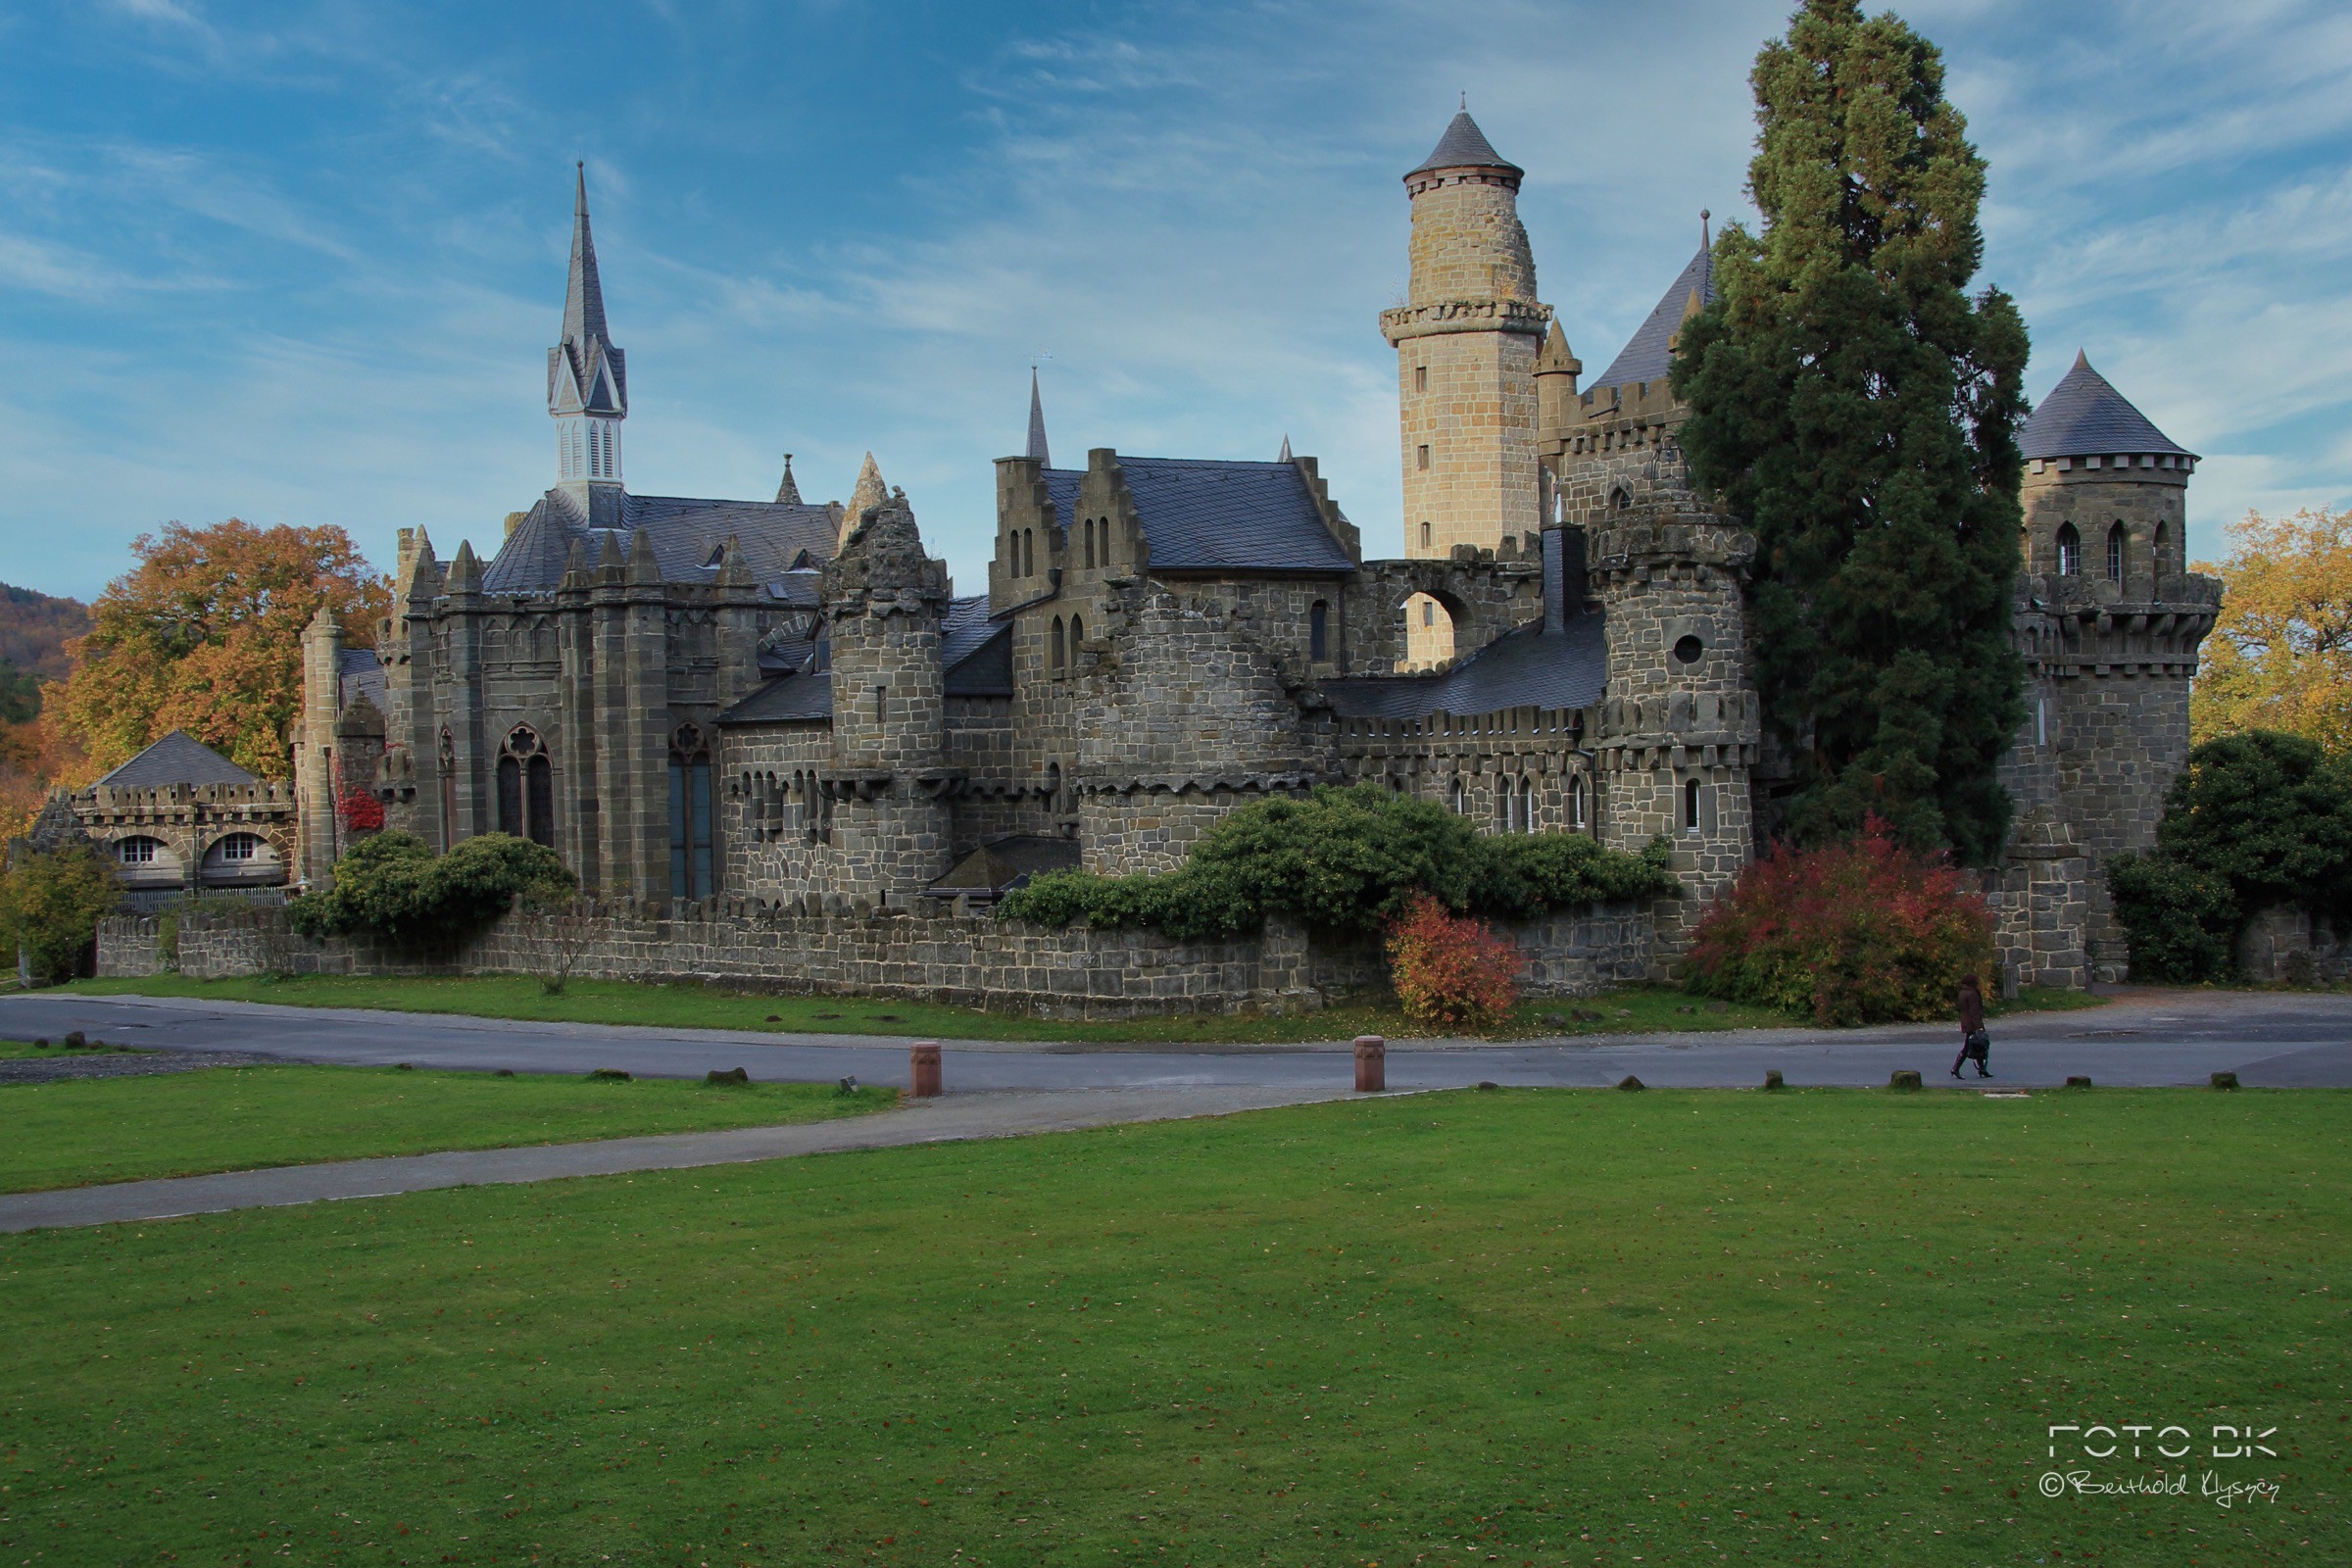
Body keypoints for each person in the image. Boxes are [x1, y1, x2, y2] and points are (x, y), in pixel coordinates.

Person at [1951, 972, 1990, 1078]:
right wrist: (1979, 1026)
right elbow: (1974, 1012)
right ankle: (1955, 1068)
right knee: (1975, 1045)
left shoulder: (1962, 993)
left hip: (1966, 1022)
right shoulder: (1972, 994)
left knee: (1977, 1046)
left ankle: (1982, 1069)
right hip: (1972, 1023)